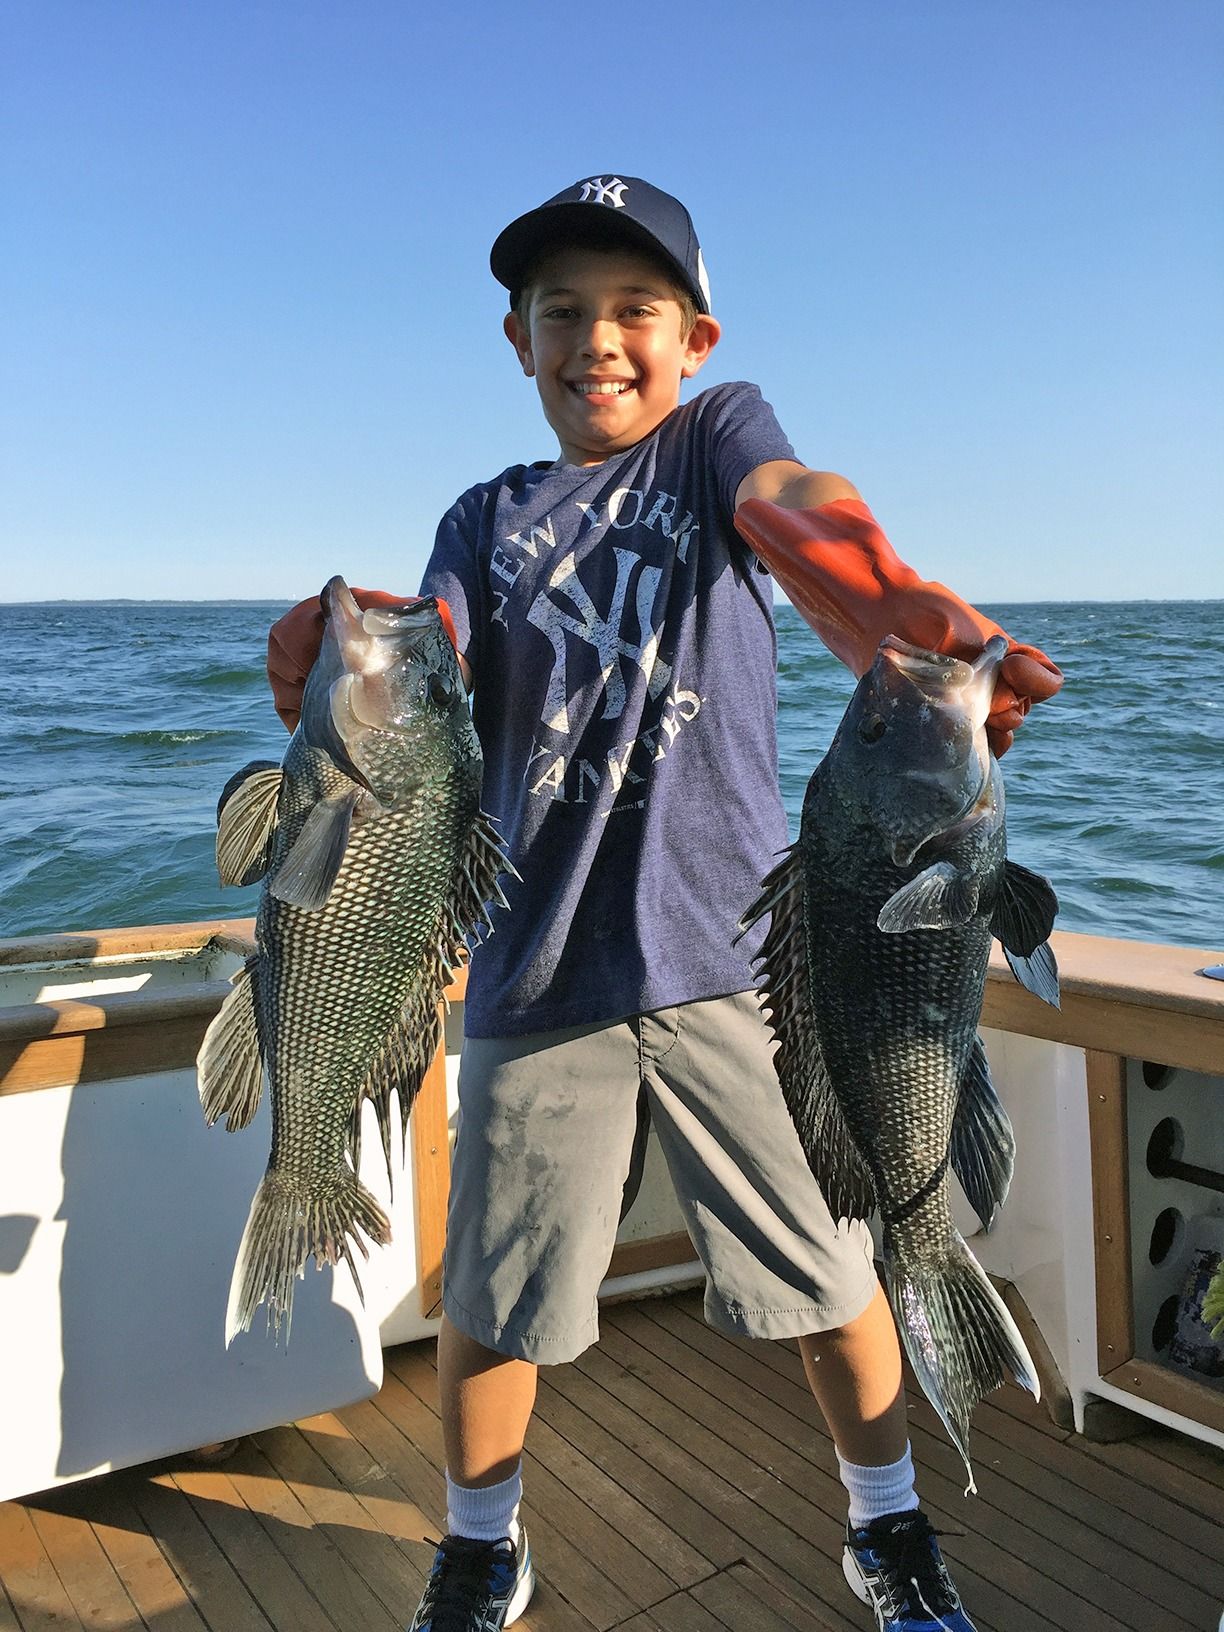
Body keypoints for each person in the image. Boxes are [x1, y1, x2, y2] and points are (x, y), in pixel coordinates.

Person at [267, 175, 1061, 1632]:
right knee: (496, 1304)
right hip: (535, 971)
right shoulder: (482, 515)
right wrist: (347, 651)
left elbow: (795, 511)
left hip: (738, 965)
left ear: (694, 336)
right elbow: (436, 640)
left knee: (832, 1273)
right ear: (516, 340)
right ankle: (480, 1542)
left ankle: (885, 1529)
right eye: (561, 311)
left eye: (635, 309)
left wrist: (887, 595)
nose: (599, 339)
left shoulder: (714, 444)